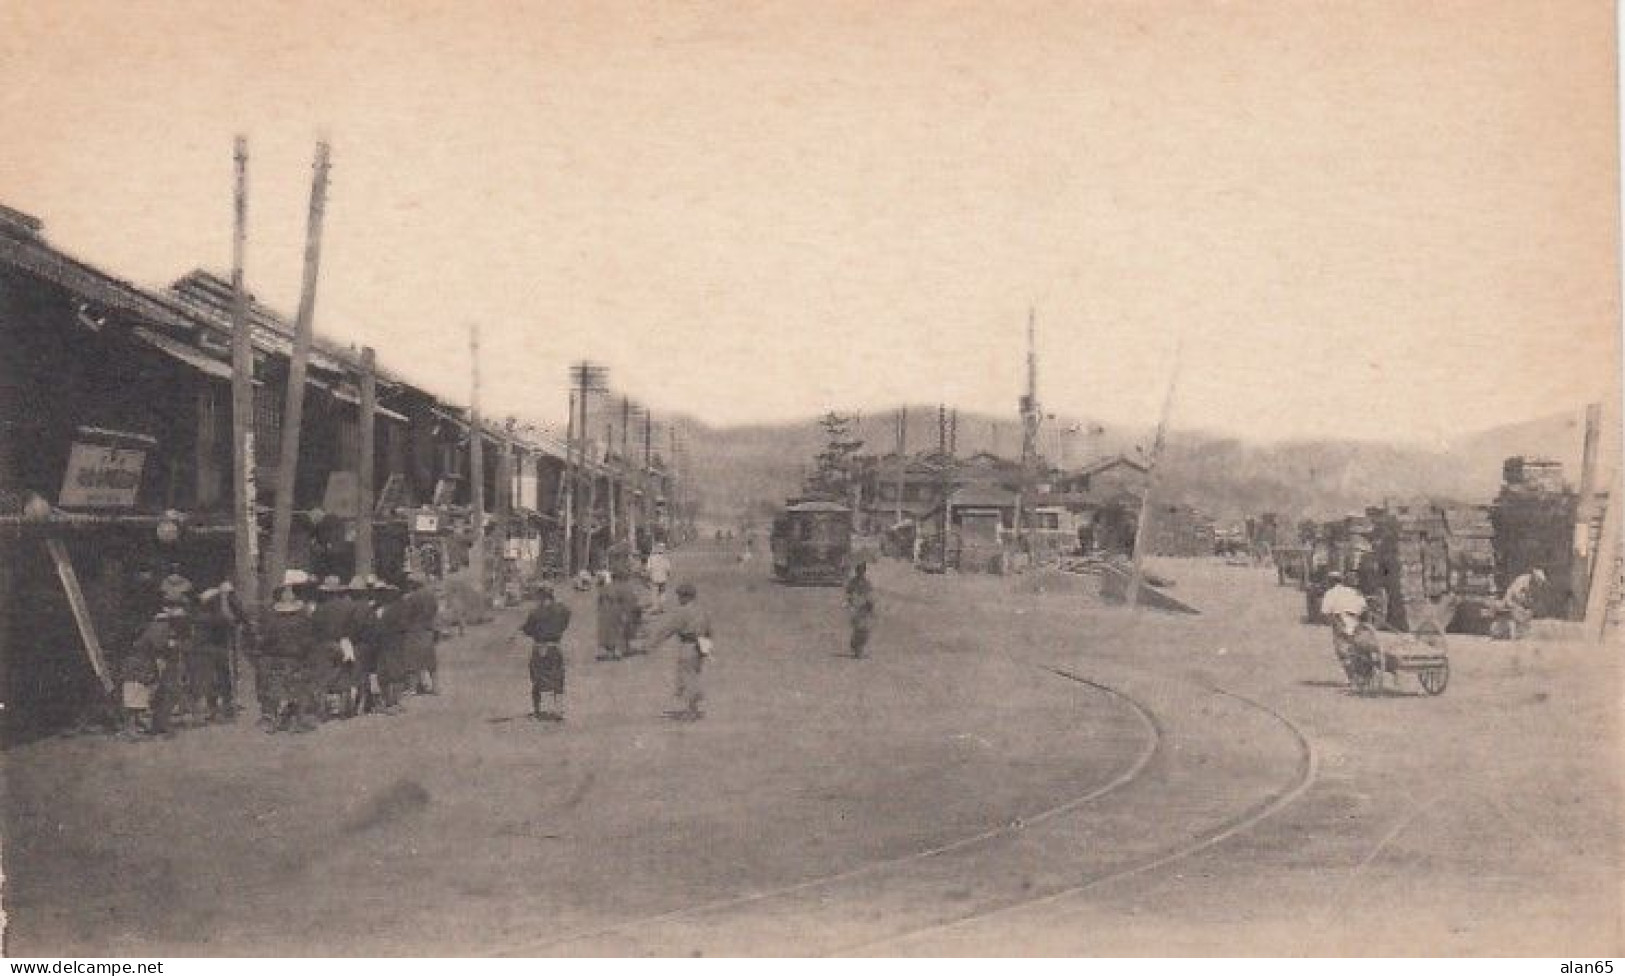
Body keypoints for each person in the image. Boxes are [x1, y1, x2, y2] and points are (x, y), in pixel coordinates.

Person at [645, 582, 713, 721]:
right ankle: (693, 708)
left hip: (687, 646)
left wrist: (654, 643)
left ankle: (691, 710)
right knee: (694, 675)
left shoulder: (683, 612)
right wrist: (706, 649)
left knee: (686, 677)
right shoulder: (702, 610)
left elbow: (670, 629)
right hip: (700, 646)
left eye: (680, 596)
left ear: (685, 597)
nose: (678, 599)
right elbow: (709, 631)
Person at [257, 584, 318, 732]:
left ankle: (272, 719)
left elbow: (266, 640)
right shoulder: (303, 618)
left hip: (277, 658)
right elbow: (309, 639)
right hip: (297, 658)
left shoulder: (272, 619)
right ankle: (296, 719)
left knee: (276, 689)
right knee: (297, 689)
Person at [520, 586, 571, 720]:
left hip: (540, 647)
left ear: (541, 597)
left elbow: (528, 630)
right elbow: (566, 620)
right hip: (555, 647)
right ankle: (558, 709)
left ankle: (539, 711)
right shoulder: (562, 610)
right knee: (558, 677)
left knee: (537, 679)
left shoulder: (536, 612)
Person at [1319, 572, 1376, 685]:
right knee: (1360, 648)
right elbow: (1364, 609)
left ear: (1331, 581)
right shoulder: (1356, 592)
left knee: (1343, 651)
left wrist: (1334, 624)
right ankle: (1365, 676)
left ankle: (1353, 678)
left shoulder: (1330, 593)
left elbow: (1325, 612)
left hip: (1340, 621)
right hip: (1357, 621)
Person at [1500, 568, 1547, 640]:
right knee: (1519, 612)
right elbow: (1515, 593)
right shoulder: (1523, 580)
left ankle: (1522, 632)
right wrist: (1523, 603)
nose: (1538, 584)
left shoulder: (1534, 585)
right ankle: (1514, 633)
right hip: (1511, 600)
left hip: (1521, 603)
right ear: (1534, 577)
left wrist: (1530, 604)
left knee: (1528, 612)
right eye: (1538, 580)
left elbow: (1532, 598)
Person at [845, 561, 876, 658]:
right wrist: (851, 604)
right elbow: (849, 595)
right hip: (855, 608)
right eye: (859, 570)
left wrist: (870, 606)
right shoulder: (852, 583)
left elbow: (870, 596)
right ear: (856, 571)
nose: (861, 573)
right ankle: (857, 649)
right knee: (858, 629)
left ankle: (858, 648)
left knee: (865, 630)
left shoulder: (867, 583)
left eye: (863, 570)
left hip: (864, 608)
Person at [645, 543, 672, 612]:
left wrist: (648, 576)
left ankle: (655, 607)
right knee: (662, 592)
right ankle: (662, 607)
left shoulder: (651, 558)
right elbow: (668, 569)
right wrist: (668, 575)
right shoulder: (665, 558)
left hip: (654, 578)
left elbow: (648, 569)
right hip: (663, 578)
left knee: (654, 593)